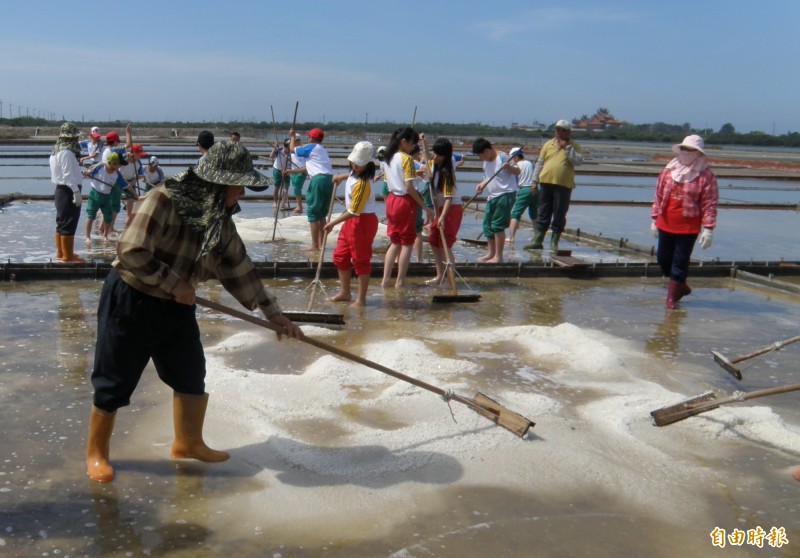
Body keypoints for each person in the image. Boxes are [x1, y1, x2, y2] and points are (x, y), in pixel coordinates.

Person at [84, 140, 304, 483]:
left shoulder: (218, 218)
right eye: (238, 185)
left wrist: (272, 314)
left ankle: (188, 443)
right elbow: (130, 250)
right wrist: (174, 283)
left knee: (190, 373)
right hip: (132, 299)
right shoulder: (162, 199)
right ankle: (96, 454)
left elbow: (239, 267)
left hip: (176, 305)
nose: (242, 193)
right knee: (114, 380)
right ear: (217, 183)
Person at [650, 135, 718, 309]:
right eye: (685, 150)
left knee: (680, 260)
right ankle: (681, 286)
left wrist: (708, 229)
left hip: (688, 226)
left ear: (698, 154)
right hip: (666, 222)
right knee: (663, 258)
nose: (687, 153)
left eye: (691, 151)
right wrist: (654, 218)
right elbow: (658, 195)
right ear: (680, 151)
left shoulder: (705, 176)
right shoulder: (668, 171)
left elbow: (709, 204)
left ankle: (671, 299)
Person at [323, 141, 380, 308]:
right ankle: (345, 292)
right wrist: (340, 176)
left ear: (368, 165)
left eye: (359, 164)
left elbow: (354, 211)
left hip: (362, 221)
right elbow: (350, 176)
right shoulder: (354, 175)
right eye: (353, 163)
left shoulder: (363, 184)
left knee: (360, 260)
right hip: (350, 220)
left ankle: (361, 299)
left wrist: (332, 223)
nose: (354, 166)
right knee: (340, 256)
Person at [380, 127, 433, 288]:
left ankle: (385, 280)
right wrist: (425, 207)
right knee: (407, 243)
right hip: (404, 201)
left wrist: (416, 174)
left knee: (395, 241)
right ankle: (400, 281)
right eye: (412, 144)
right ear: (404, 142)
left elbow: (397, 178)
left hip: (391, 200)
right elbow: (409, 187)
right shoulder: (406, 159)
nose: (413, 147)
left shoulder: (388, 157)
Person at [526, 119, 583, 252]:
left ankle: (554, 241)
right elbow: (540, 163)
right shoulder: (548, 144)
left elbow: (578, 161)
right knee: (543, 211)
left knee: (559, 212)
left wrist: (567, 149)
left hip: (563, 184)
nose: (559, 132)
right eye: (557, 129)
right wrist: (534, 181)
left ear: (568, 132)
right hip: (545, 182)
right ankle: (538, 240)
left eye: (562, 130)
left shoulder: (574, 146)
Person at [421, 136, 463, 286]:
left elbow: (449, 198)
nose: (435, 156)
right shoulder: (433, 165)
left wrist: (442, 217)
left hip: (450, 210)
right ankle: (440, 275)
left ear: (446, 156)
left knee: (446, 244)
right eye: (434, 153)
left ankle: (450, 280)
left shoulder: (447, 172)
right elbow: (425, 157)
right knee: (434, 242)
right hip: (439, 209)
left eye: (438, 154)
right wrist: (424, 142)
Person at [472, 137, 519, 263]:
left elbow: (517, 171)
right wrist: (482, 184)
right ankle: (490, 253)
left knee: (497, 225)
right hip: (492, 196)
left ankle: (498, 257)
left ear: (486, 151)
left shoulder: (503, 157)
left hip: (505, 194)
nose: (480, 158)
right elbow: (487, 177)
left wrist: (509, 167)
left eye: (480, 155)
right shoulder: (486, 162)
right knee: (487, 225)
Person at [289, 128, 334, 251]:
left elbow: (292, 149)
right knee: (321, 214)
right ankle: (321, 244)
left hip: (318, 180)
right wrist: (292, 171)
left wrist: (292, 137)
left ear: (312, 138)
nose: (307, 139)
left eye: (308, 137)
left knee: (313, 212)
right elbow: (308, 167)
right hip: (328, 179)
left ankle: (315, 245)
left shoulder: (312, 147)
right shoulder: (322, 150)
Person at [49, 122, 86, 263]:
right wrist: (76, 192)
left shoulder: (56, 151)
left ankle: (61, 253)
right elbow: (68, 175)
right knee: (68, 223)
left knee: (62, 222)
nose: (76, 141)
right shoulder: (66, 152)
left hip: (61, 189)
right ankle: (68, 256)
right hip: (68, 190)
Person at [83, 152, 135, 245]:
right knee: (91, 216)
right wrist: (86, 174)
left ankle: (105, 235)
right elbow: (89, 172)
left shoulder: (117, 174)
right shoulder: (99, 167)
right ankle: (87, 236)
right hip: (94, 194)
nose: (120, 166)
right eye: (119, 164)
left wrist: (136, 195)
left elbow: (126, 186)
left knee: (108, 217)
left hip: (107, 196)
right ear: (113, 163)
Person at [507, 147, 538, 244]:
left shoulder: (516, 165)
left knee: (515, 214)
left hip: (525, 189)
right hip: (536, 189)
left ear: (516, 156)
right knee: (534, 214)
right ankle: (537, 238)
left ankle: (511, 238)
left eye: (512, 157)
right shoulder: (529, 163)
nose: (511, 159)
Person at [287, 133, 307, 215]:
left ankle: (299, 206)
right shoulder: (293, 150)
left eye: (293, 141)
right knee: (295, 188)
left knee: (297, 188)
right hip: (294, 171)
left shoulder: (300, 149)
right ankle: (298, 205)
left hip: (300, 171)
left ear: (298, 141)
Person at [270, 138, 291, 211]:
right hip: (277, 170)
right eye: (288, 145)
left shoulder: (292, 153)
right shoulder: (280, 150)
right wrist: (275, 148)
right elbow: (271, 156)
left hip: (287, 171)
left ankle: (283, 203)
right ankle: (275, 202)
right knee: (277, 187)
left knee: (286, 187)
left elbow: (293, 162)